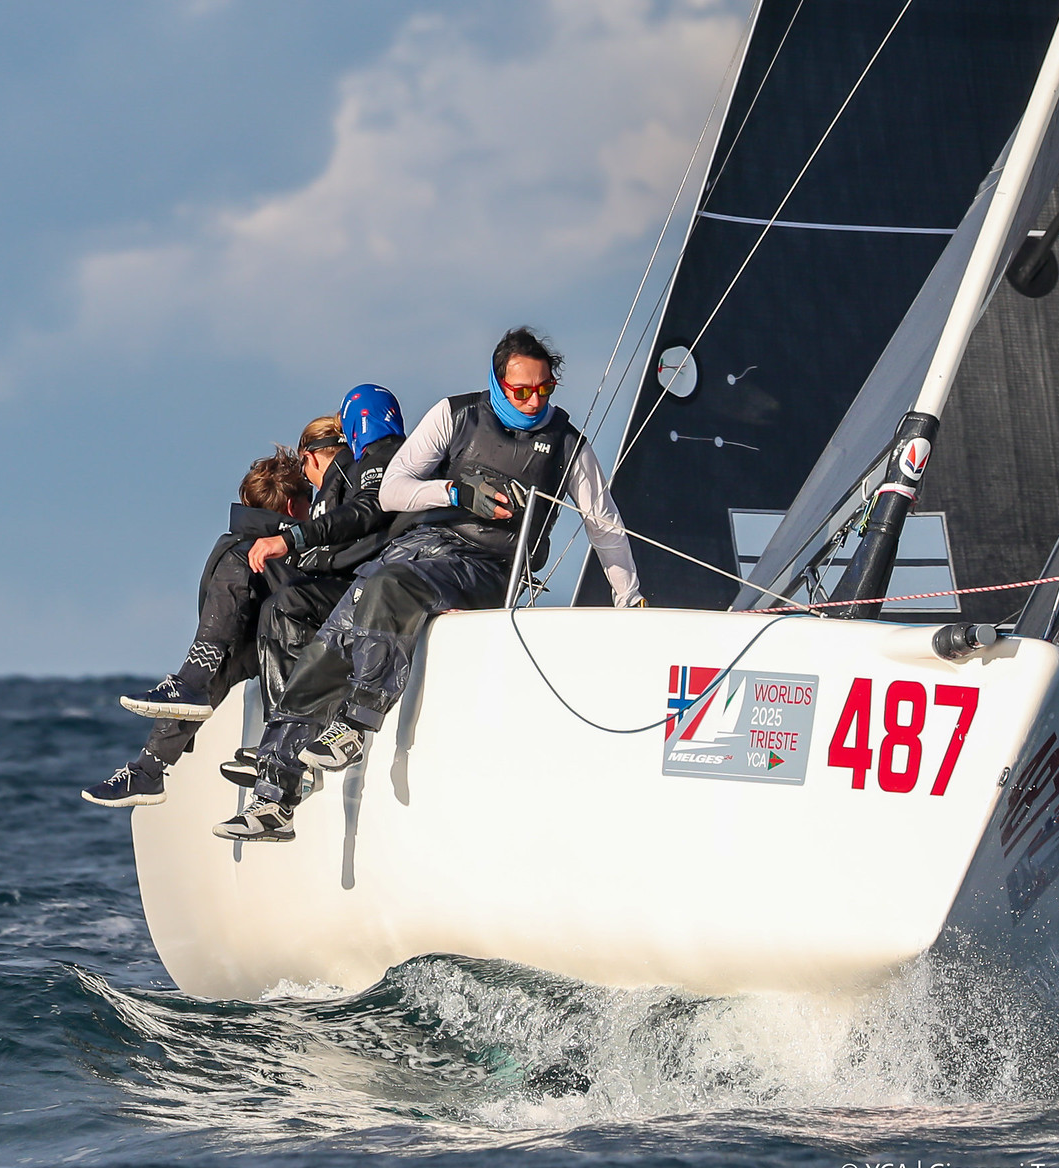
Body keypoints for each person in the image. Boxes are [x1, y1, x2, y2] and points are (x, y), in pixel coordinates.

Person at [216, 327, 643, 842]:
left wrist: (629, 599)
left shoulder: (568, 445)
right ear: (497, 383)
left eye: (544, 389)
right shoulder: (454, 415)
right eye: (521, 390)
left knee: (389, 586)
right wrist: (456, 492)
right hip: (424, 549)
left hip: (489, 568)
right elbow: (393, 491)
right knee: (329, 645)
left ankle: (357, 721)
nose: (534, 401)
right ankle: (273, 796)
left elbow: (604, 524)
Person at [82, 445, 312, 806]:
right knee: (212, 671)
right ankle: (148, 769)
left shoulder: (256, 548)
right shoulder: (256, 544)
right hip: (272, 636)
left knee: (237, 561)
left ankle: (190, 684)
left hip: (303, 633)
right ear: (292, 507)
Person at [216, 386, 409, 788]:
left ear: (313, 455)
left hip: (375, 584)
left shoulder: (361, 466)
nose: (308, 482)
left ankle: (282, 745)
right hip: (380, 579)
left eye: (305, 470)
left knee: (285, 604)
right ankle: (278, 741)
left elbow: (362, 522)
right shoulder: (380, 462)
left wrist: (295, 544)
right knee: (278, 597)